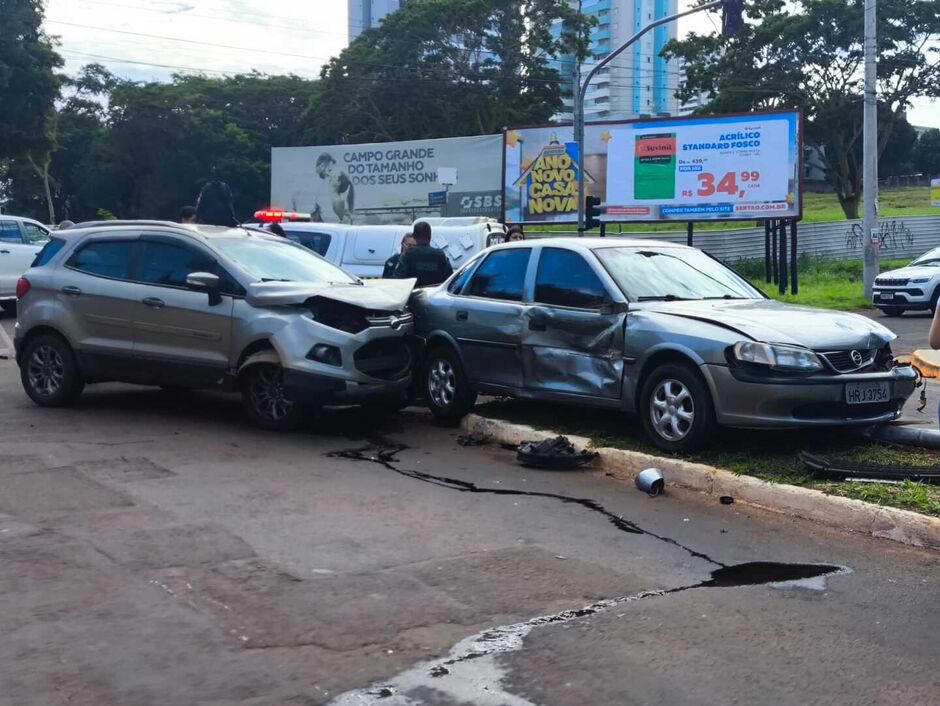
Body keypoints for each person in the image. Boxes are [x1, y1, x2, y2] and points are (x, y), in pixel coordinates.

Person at [394, 221, 453, 287]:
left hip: (413, 295)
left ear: (414, 236)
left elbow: (398, 279)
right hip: (434, 295)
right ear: (430, 236)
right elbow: (450, 280)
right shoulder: (440, 255)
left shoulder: (407, 255)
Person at [314, 153, 355, 224]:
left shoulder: (336, 196)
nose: (330, 175)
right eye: (329, 170)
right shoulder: (320, 189)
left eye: (330, 170)